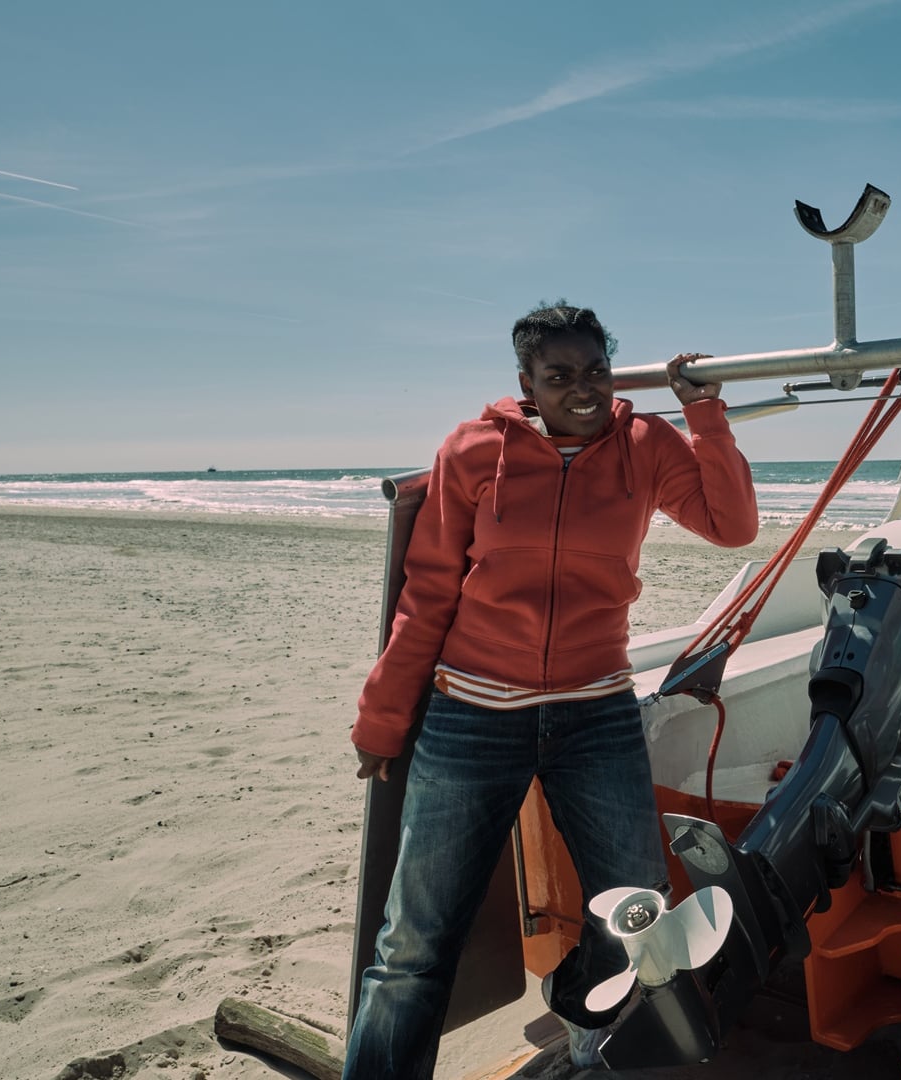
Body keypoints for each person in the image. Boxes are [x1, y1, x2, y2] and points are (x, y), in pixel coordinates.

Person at [342, 302, 759, 1077]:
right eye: (560, 375)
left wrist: (704, 415)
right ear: (526, 383)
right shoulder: (473, 449)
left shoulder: (645, 444)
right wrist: (382, 718)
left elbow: (731, 525)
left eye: (596, 370)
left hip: (593, 712)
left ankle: (576, 1000)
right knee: (415, 945)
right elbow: (427, 592)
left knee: (636, 911)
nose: (583, 389)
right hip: (473, 716)